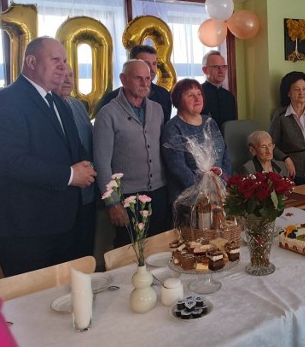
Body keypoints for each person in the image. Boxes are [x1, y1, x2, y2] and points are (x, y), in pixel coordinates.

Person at [0, 37, 96, 277]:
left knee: (64, 299)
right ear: (31, 62)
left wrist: (85, 167)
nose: (63, 66)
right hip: (24, 228)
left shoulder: (60, 103)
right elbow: (12, 162)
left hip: (64, 223)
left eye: (64, 60)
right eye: (55, 59)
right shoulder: (5, 101)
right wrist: (71, 174)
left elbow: (76, 149)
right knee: (29, 306)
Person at [94, 59, 169, 245]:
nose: (145, 83)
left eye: (148, 78)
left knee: (160, 250)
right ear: (123, 79)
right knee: (130, 254)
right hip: (128, 198)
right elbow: (102, 163)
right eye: (138, 78)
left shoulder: (158, 110)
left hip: (159, 194)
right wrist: (113, 203)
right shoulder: (107, 114)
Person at [162, 78, 231, 204]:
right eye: (190, 95)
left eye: (199, 94)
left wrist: (222, 178)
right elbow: (178, 168)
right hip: (190, 199)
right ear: (178, 100)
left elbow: (225, 153)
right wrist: (204, 192)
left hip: (219, 192)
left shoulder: (210, 122)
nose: (197, 98)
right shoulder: (173, 127)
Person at [55, 64, 96, 257]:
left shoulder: (77, 105)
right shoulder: (46, 109)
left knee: (85, 252)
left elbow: (88, 143)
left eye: (71, 75)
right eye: (62, 74)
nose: (68, 79)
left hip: (86, 192)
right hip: (61, 193)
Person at [96, 45, 172, 121]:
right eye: (146, 63)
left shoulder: (164, 95)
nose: (152, 69)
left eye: (154, 64)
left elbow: (165, 129)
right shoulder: (111, 99)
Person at [200, 50, 237, 130]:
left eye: (224, 67)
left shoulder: (229, 97)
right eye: (216, 67)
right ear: (205, 70)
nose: (221, 71)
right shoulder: (198, 94)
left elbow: (233, 127)